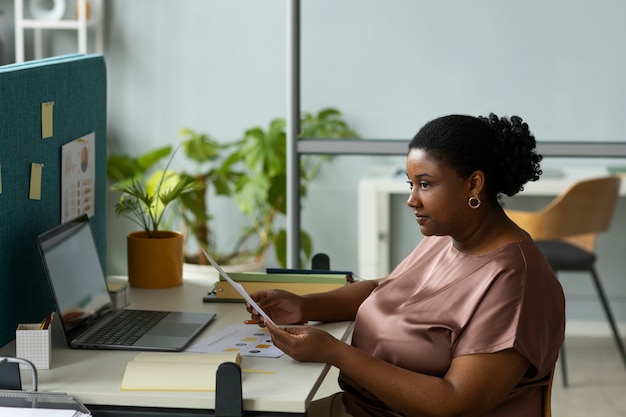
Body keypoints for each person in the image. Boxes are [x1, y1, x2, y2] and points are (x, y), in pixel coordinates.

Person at [247, 113, 566, 417]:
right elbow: (382, 290)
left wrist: (335, 352)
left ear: (473, 185)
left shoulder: (516, 280)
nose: (412, 199)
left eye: (425, 184)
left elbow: (456, 405)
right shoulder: (446, 238)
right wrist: (304, 307)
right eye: (410, 184)